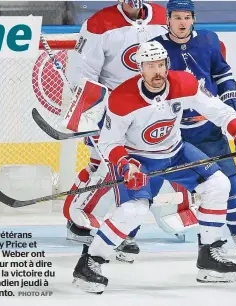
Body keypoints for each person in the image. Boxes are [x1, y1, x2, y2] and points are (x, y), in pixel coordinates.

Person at [71, 41, 236, 293]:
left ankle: (209, 256)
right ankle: (89, 263)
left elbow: (218, 111)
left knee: (219, 184)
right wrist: (126, 164)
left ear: (167, 64)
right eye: (150, 66)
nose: (156, 71)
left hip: (176, 152)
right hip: (137, 160)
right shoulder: (121, 99)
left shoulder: (185, 83)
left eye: (160, 64)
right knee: (134, 212)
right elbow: (109, 142)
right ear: (140, 69)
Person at [62, 0, 172, 264]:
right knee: (104, 168)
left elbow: (173, 60)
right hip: (112, 112)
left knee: (134, 169)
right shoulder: (100, 23)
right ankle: (85, 223)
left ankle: (116, 230)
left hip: (148, 113)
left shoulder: (161, 15)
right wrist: (97, 107)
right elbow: (81, 72)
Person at [150, 0, 236, 255]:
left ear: (193, 19)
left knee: (229, 181)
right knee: (146, 188)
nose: (182, 22)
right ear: (168, 19)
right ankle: (126, 236)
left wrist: (232, 94)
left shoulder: (208, 40)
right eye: (177, 17)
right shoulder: (156, 48)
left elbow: (222, 74)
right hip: (171, 134)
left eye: (187, 17)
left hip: (206, 130)